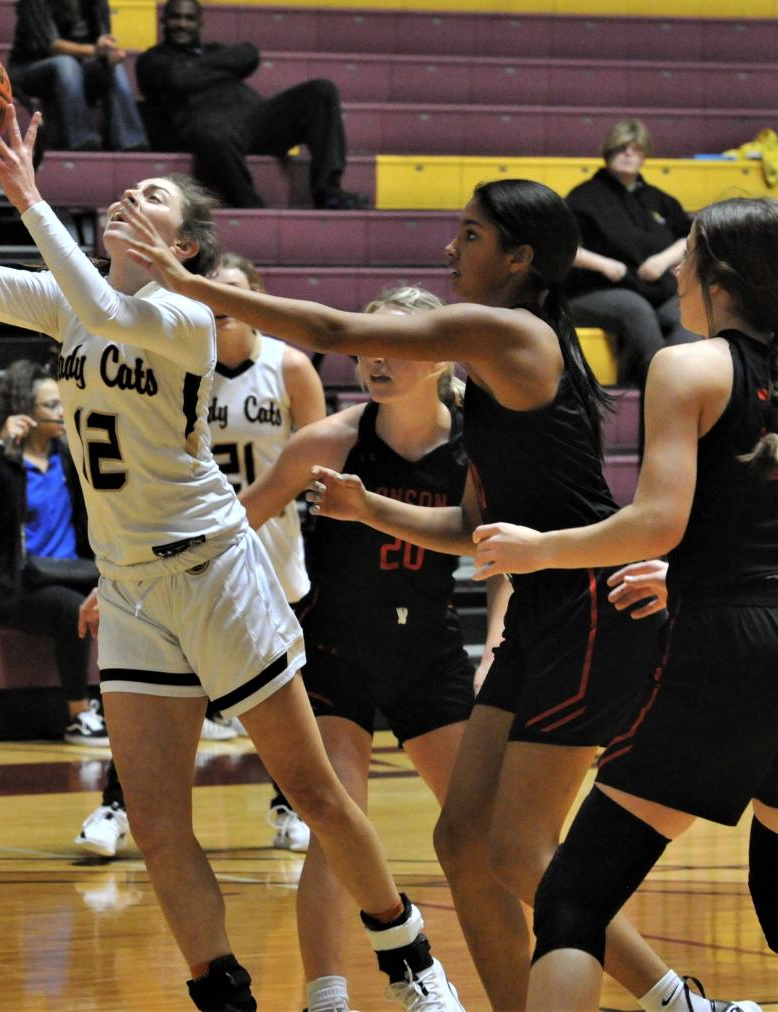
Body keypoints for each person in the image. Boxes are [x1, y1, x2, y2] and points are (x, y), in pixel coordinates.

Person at [123, 174, 759, 1011]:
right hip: (538, 607)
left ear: (519, 257)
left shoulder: (507, 331)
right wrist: (371, 507)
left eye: (468, 236)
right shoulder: (487, 362)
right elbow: (474, 529)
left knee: (525, 853)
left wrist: (185, 282)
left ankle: (680, 1002)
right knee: (462, 840)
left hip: (586, 609)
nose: (448, 249)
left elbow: (333, 328)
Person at [0, 106, 464, 1012]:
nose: (131, 197)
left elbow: (106, 307)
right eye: (129, 189)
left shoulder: (189, 317)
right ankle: (225, 994)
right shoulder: (67, 297)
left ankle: (411, 959)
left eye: (155, 197)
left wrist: (22, 190)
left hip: (215, 570)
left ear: (182, 244)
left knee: (315, 792)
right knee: (157, 819)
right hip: (134, 586)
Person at [470, 196, 777, 1012]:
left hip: (731, 651)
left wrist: (542, 548)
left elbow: (656, 521)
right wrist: (691, 575)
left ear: (720, 274)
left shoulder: (690, 364)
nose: (675, 270)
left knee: (574, 900)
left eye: (687, 256)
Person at [234, 284, 498, 1012]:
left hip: (433, 652)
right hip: (335, 651)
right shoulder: (328, 441)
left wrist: (496, 645)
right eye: (366, 344)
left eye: (395, 347)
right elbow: (236, 526)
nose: (375, 359)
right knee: (335, 821)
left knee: (482, 830)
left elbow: (501, 553)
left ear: (439, 358)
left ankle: (527, 975)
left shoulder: (479, 447)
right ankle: (327, 994)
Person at [75, 251, 325, 859]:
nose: (220, 306)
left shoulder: (289, 367)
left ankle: (290, 808)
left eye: (234, 293)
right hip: (184, 556)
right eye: (213, 294)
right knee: (152, 701)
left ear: (255, 296)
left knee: (282, 707)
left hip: (273, 556)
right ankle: (116, 806)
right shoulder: (179, 357)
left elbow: (317, 468)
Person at [0, 359, 107, 746]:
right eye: (51, 406)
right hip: (19, 585)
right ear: (26, 413)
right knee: (74, 609)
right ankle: (78, 714)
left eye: (62, 403)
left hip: (78, 572)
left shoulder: (70, 459)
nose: (61, 412)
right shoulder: (6, 464)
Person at [136, 0, 368, 210]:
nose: (182, 24)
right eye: (176, 17)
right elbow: (177, 78)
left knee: (321, 90)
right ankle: (253, 207)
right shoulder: (151, 60)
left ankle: (328, 192)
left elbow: (249, 54)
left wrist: (195, 68)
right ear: (163, 20)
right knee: (211, 135)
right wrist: (218, 67)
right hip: (216, 133)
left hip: (257, 121)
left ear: (200, 23)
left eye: (189, 18)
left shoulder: (213, 49)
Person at [565, 117, 697, 388]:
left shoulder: (659, 199)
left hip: (659, 289)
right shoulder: (583, 197)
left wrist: (664, 260)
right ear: (609, 151)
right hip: (594, 290)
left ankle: (678, 384)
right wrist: (604, 264)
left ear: (644, 155)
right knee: (635, 309)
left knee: (692, 315)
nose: (628, 154)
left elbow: (692, 235)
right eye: (621, 147)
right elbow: (561, 245)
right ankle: (663, 387)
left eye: (635, 149)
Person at [8, 0, 148, 153]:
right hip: (28, 69)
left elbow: (102, 42)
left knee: (114, 66)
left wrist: (109, 52)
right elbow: (49, 45)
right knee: (66, 64)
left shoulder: (97, 3)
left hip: (75, 70)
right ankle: (82, 138)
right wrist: (95, 50)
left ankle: (132, 140)